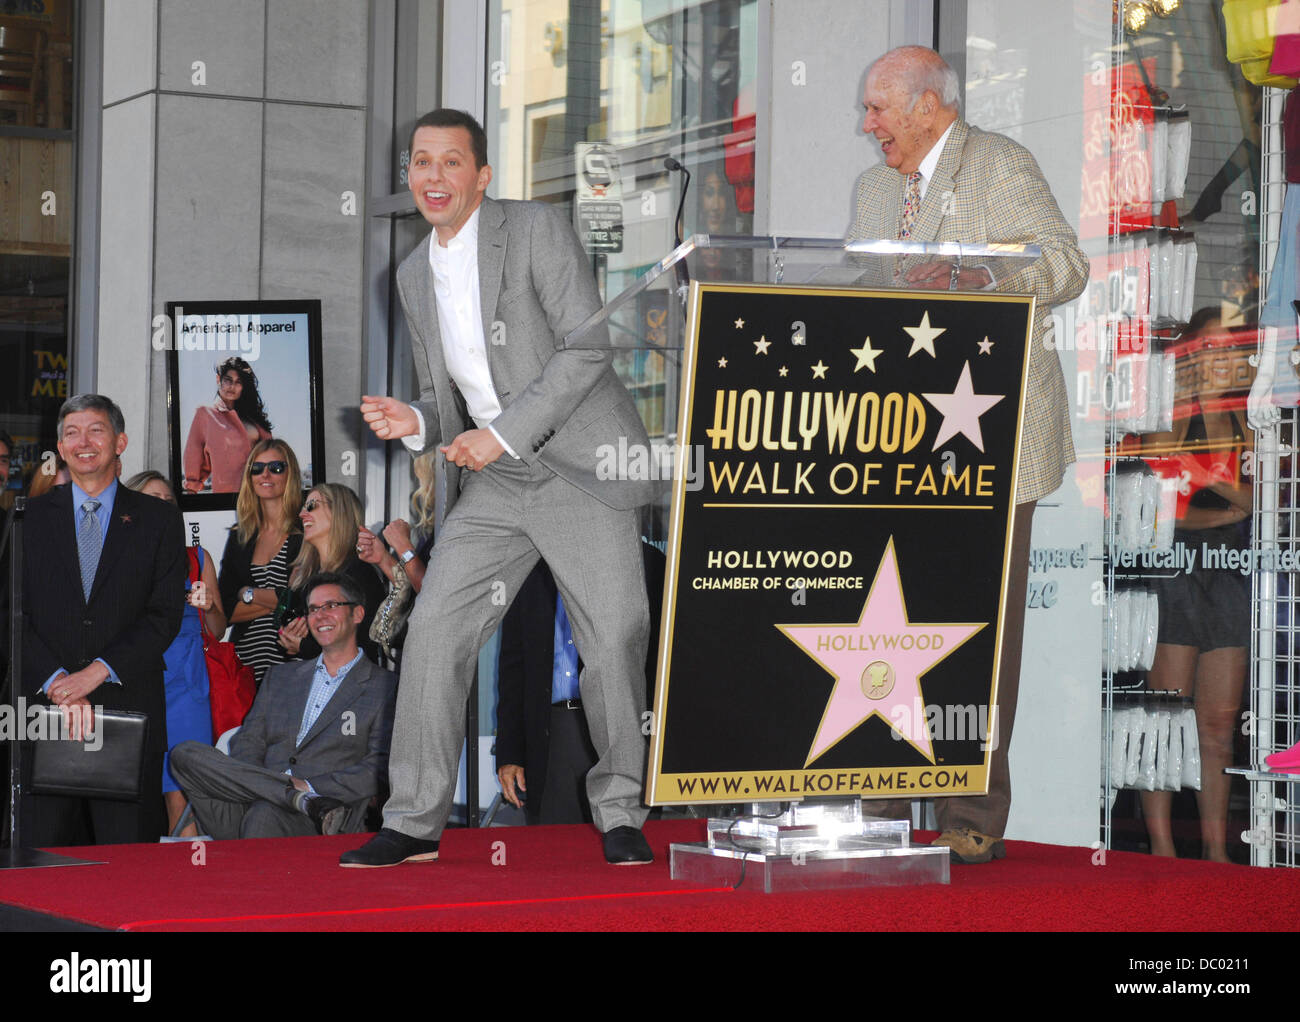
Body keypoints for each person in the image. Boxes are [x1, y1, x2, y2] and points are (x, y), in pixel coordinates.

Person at [344, 108, 655, 868]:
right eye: (422, 162)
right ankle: (414, 820)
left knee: (612, 637)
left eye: (452, 162)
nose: (434, 177)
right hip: (498, 478)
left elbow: (588, 351)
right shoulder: (412, 275)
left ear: (482, 175)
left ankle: (620, 809)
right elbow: (446, 398)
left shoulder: (536, 230)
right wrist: (413, 419)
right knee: (436, 631)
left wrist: (503, 432)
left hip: (581, 464)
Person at [848, 46, 1089, 864]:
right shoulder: (875, 189)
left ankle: (971, 813)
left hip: (991, 433)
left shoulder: (1000, 164)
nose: (868, 124)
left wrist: (978, 274)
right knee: (884, 613)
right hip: (894, 438)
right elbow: (855, 297)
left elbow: (1064, 264)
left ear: (929, 105)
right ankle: (880, 795)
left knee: (981, 625)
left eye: (879, 108)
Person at [20, 394, 186, 845]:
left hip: (128, 708)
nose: (83, 442)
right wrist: (60, 682)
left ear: (120, 442)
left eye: (95, 430)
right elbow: (12, 615)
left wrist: (93, 675)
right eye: (71, 433)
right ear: (59, 446)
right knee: (41, 866)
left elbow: (164, 614)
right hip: (44, 710)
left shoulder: (160, 520)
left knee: (128, 866)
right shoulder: (24, 519)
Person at [1140, 310, 1252, 862]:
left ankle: (1216, 852)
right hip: (1175, 568)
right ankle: (1160, 849)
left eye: (1228, 349)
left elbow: (1259, 502)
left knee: (1218, 722)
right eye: (1209, 347)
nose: (1219, 359)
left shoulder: (1248, 423)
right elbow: (1160, 513)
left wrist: (1208, 481)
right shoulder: (1165, 419)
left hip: (1230, 572)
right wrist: (1222, 502)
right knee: (1166, 713)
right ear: (1186, 353)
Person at [169, 573, 397, 839]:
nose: (320, 616)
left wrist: (310, 786)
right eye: (313, 609)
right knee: (183, 754)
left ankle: (298, 799)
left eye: (331, 606)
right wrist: (260, 787)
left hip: (322, 818)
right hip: (247, 802)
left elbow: (378, 767)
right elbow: (248, 742)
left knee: (264, 814)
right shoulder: (281, 677)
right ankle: (291, 796)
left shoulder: (384, 687)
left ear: (357, 614)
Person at [496, 541, 665, 825]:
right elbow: (514, 666)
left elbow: (662, 661)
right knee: (554, 857)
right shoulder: (526, 567)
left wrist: (657, 748)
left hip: (622, 733)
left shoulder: (646, 563)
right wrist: (510, 751)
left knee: (626, 850)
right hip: (550, 738)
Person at [123, 470, 226, 837]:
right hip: (134, 683)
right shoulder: (115, 560)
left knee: (183, 793)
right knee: (131, 794)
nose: (162, 507)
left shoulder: (197, 558)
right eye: (152, 500)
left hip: (187, 687)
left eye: (168, 501)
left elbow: (216, 629)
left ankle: (188, 880)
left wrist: (210, 604)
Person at [218, 440, 304, 687]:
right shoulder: (240, 536)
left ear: (291, 474)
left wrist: (248, 593)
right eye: (257, 468)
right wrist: (280, 599)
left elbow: (303, 600)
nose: (265, 474)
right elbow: (225, 610)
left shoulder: (305, 531)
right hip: (245, 666)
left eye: (276, 467)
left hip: (292, 663)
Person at [277, 483, 385, 665]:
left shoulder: (360, 572)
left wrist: (303, 647)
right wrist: (289, 637)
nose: (302, 514)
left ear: (338, 512)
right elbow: (282, 638)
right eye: (303, 508)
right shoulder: (305, 575)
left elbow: (364, 644)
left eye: (311, 506)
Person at [183, 357, 274, 495]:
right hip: (226, 500)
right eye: (228, 380)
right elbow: (193, 460)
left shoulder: (253, 419)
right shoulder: (205, 414)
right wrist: (191, 495)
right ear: (218, 380)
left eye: (238, 382)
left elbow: (272, 456)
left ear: (243, 387)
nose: (232, 386)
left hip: (259, 497)